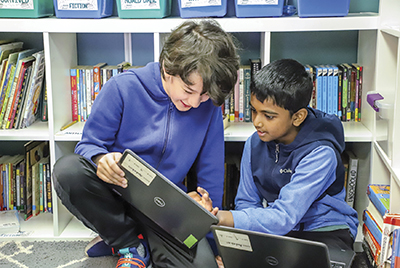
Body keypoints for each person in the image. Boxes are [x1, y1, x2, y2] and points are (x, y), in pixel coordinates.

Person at [52, 19, 240, 268]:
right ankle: (128, 242)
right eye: (188, 90)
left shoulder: (209, 109)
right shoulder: (121, 88)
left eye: (204, 95)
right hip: (115, 195)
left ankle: (125, 240)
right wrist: (100, 159)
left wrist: (206, 217)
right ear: (167, 68)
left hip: (166, 211)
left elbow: (211, 175)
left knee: (203, 266)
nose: (195, 103)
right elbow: (89, 145)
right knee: (68, 170)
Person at [191, 59, 359, 263]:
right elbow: (247, 203)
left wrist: (221, 218)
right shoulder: (254, 143)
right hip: (279, 232)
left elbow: (285, 216)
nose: (257, 122)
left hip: (324, 231)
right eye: (254, 110)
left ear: (297, 117)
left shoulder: (320, 153)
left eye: (269, 116)